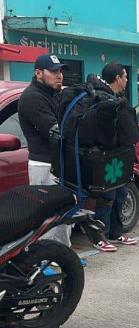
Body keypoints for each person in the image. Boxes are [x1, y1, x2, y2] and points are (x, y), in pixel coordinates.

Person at [18, 54, 72, 246]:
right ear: (39, 73)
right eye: (54, 71)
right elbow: (56, 131)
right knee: (46, 217)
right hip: (43, 165)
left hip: (57, 164)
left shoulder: (53, 95)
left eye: (60, 71)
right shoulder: (32, 98)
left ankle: (63, 255)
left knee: (62, 215)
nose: (60, 75)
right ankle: (43, 260)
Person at [86, 63, 139, 252]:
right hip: (108, 155)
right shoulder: (102, 99)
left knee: (120, 194)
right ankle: (100, 236)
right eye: (125, 77)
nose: (126, 80)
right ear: (117, 78)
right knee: (107, 196)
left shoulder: (117, 98)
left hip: (120, 155)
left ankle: (115, 233)